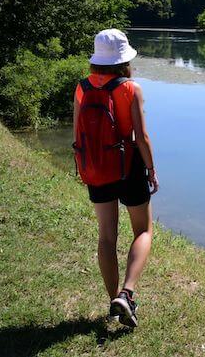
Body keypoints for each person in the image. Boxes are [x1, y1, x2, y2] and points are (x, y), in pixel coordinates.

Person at [73, 29, 159, 328]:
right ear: (124, 60)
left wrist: (84, 167)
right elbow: (141, 137)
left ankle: (114, 300)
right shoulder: (130, 88)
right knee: (143, 230)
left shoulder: (82, 88)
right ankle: (127, 293)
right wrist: (151, 169)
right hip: (128, 166)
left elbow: (78, 134)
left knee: (107, 236)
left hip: (96, 166)